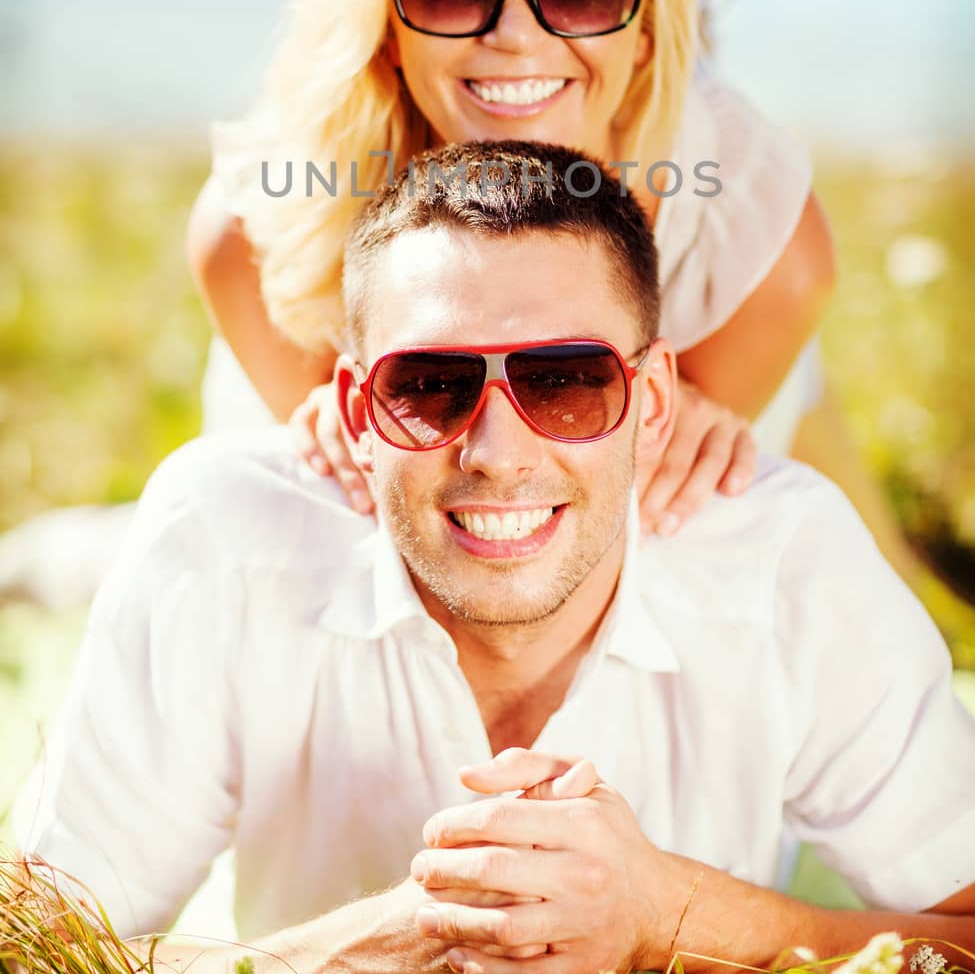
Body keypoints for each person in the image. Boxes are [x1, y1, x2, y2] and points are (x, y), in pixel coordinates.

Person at [17, 143, 975, 972]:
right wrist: (373, 948)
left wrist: (667, 915)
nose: (498, 453)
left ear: (650, 401)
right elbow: (37, 946)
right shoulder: (218, 538)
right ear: (356, 414)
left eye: (565, 382)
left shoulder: (786, 560)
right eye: (430, 386)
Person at [190, 0, 834, 540]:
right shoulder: (253, 238)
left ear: (650, 26)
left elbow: (630, 537)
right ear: (382, 23)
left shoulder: (761, 253)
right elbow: (380, 539)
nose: (516, 37)